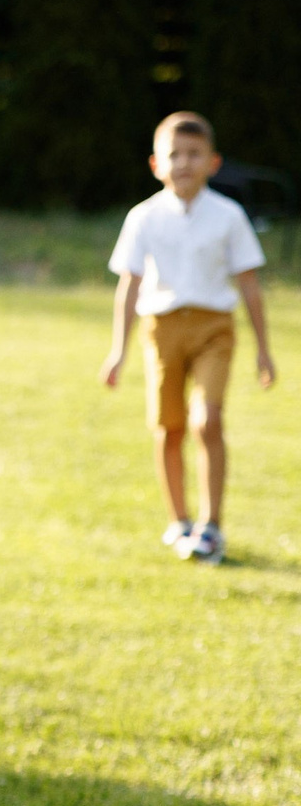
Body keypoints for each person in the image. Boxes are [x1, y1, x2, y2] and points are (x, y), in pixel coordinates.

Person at [99, 111, 276, 566]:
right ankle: (179, 521)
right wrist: (118, 350)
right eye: (174, 154)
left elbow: (250, 286)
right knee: (169, 427)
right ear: (156, 164)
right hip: (162, 330)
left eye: (194, 154)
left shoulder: (229, 216)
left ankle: (211, 524)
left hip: (215, 328)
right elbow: (130, 287)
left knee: (208, 421)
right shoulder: (143, 217)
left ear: (212, 162)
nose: (184, 163)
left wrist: (264, 350)